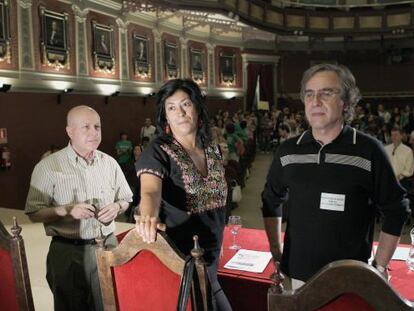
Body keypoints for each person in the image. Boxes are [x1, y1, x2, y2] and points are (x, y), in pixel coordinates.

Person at [262, 63, 409, 290]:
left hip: (351, 277)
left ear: (345, 102)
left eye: (326, 93)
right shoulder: (288, 151)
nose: (315, 101)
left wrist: (379, 268)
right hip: (300, 274)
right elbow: (271, 200)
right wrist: (276, 250)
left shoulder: (369, 150)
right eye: (309, 94)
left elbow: (396, 209)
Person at [135, 79, 232, 310]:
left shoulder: (212, 147)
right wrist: (148, 216)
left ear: (197, 107)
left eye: (186, 104)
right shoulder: (158, 150)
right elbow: (149, 191)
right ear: (165, 116)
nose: (180, 112)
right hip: (183, 263)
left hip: (213, 256)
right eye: (171, 107)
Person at [25, 105, 133, 311]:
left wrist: (118, 206)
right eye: (86, 127)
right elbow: (33, 213)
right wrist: (66, 211)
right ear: (69, 131)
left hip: (107, 247)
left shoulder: (110, 163)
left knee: (110, 306)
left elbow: (126, 199)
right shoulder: (48, 167)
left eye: (97, 127)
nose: (94, 132)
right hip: (68, 251)